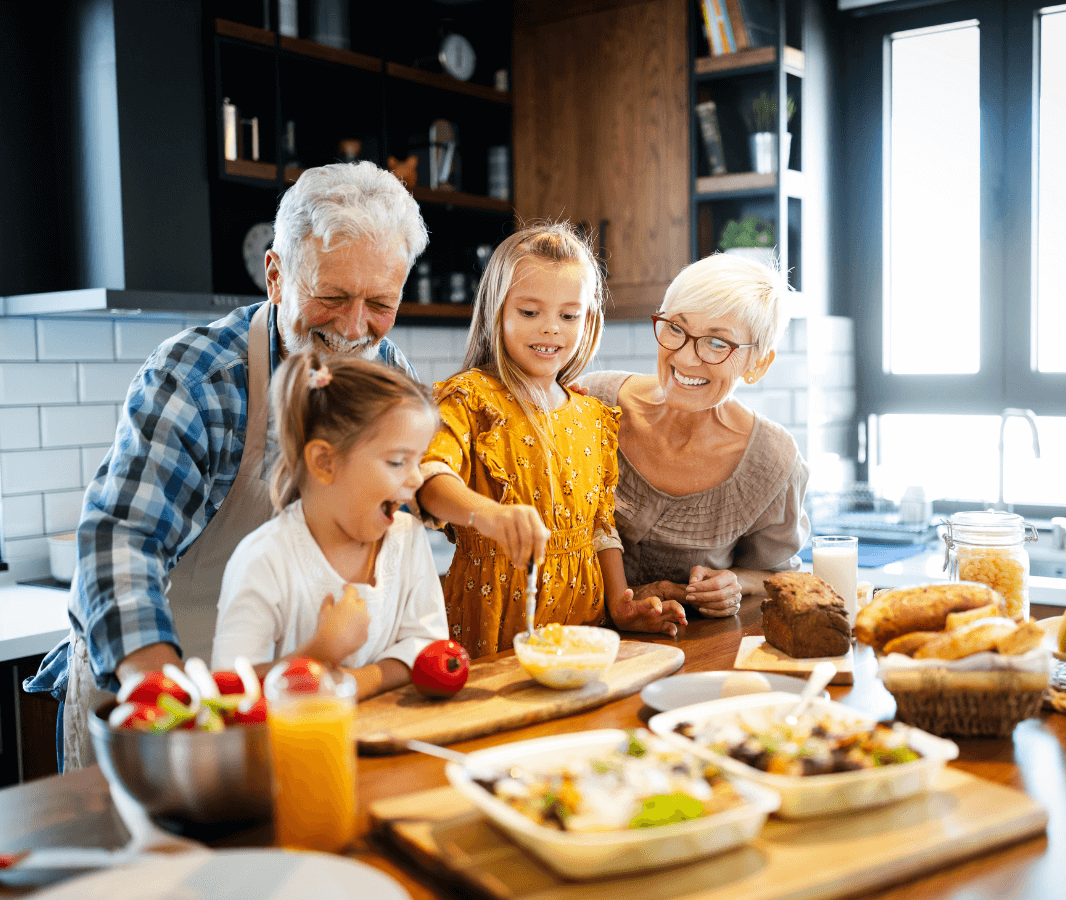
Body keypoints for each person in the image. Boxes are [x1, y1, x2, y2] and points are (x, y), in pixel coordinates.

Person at [24, 160, 429, 769]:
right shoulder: (201, 376)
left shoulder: (387, 372)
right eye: (331, 297)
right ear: (276, 275)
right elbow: (121, 539)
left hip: (297, 703)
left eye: (380, 303)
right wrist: (160, 699)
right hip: (165, 691)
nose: (353, 328)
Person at [416, 222, 687, 658]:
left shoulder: (594, 417)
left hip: (583, 628)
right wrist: (487, 516)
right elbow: (429, 479)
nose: (551, 330)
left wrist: (622, 605)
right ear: (496, 311)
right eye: (529, 312)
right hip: (492, 625)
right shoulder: (469, 398)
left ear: (588, 319)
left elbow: (601, 528)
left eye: (568, 315)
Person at [578, 252, 810, 619]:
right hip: (563, 645)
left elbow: (776, 575)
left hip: (688, 656)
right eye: (675, 328)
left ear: (758, 364)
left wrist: (734, 582)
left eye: (718, 343)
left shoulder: (771, 461)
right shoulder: (591, 403)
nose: (686, 359)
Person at [212, 352, 447, 699]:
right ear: (325, 463)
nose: (416, 478)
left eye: (419, 460)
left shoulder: (406, 537)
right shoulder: (264, 559)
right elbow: (229, 690)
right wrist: (322, 651)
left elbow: (426, 645)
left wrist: (358, 682)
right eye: (398, 461)